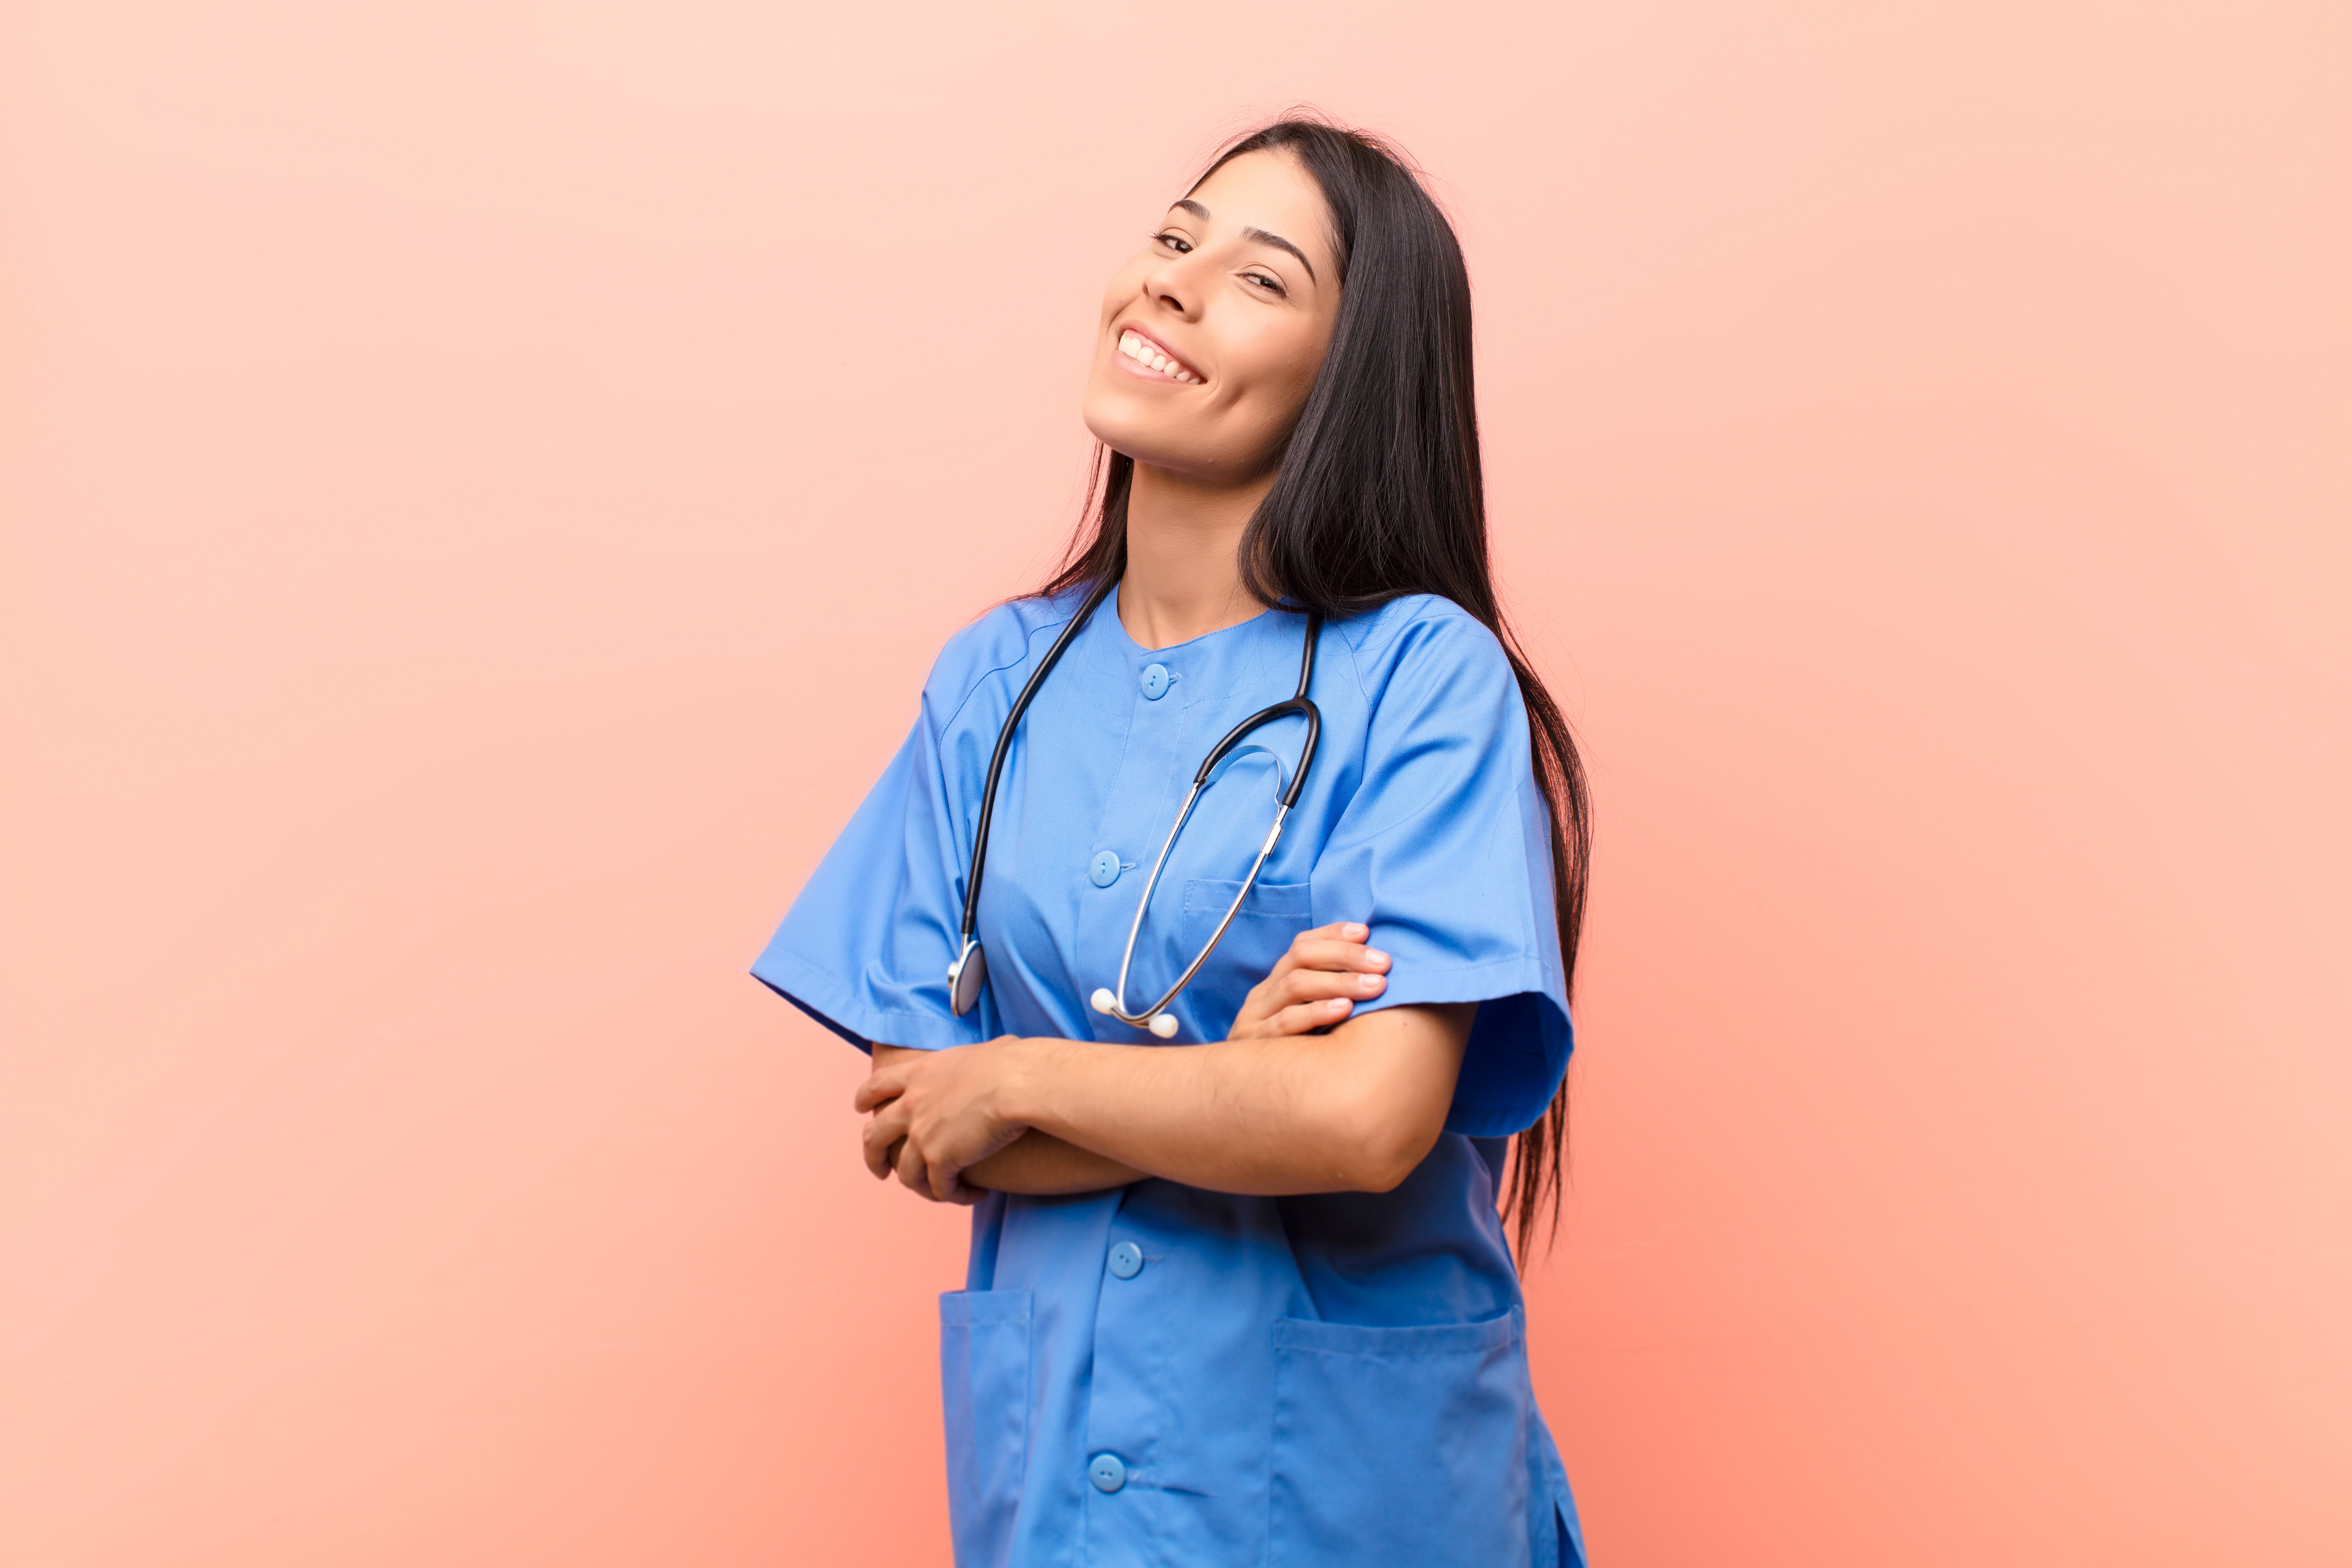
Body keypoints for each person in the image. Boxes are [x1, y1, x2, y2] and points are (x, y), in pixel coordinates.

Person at [753, 117, 1594, 1567]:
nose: (1176, 284)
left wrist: (1020, 1077)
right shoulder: (992, 685)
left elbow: (1367, 1120)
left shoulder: (1421, 678)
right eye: (1172, 237)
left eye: (1262, 280)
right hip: (1065, 1501)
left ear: (1354, 377)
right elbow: (916, 1119)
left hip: (1356, 1499)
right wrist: (1239, 1085)